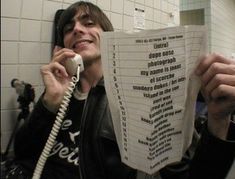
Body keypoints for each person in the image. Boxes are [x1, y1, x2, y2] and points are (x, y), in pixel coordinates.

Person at [6, 1, 235, 179]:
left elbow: (188, 175)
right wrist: (48, 105)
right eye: (69, 28)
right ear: (63, 46)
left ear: (108, 38)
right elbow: (23, 152)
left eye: (88, 23)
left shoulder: (141, 98)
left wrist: (218, 121)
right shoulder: (59, 93)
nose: (76, 29)